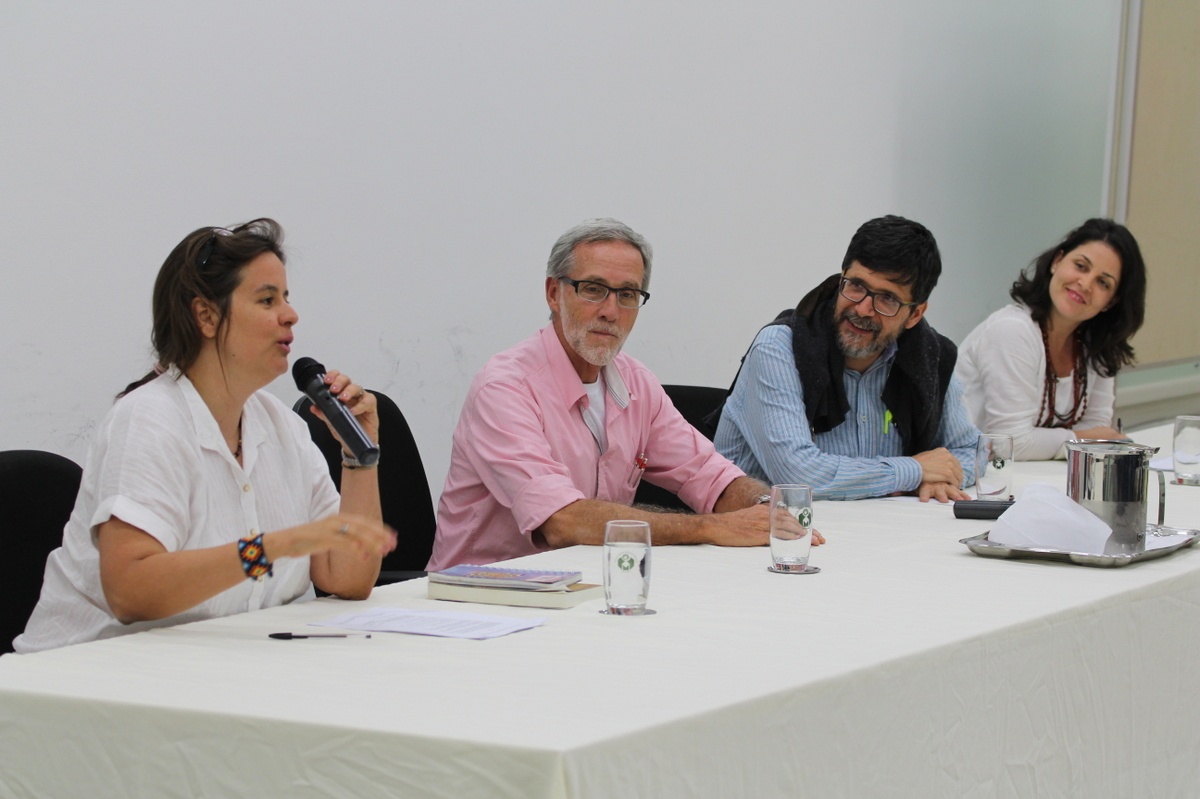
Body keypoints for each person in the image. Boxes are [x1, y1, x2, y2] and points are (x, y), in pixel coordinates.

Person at [15, 219, 395, 653]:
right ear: (206, 316)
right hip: (82, 685)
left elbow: (346, 579)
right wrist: (269, 548)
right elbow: (131, 592)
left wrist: (358, 456)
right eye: (267, 299)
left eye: (286, 298)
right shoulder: (148, 422)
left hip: (212, 673)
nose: (291, 314)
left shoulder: (283, 427)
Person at [427, 218, 823, 571]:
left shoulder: (636, 382)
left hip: (593, 589)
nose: (611, 311)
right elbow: (563, 522)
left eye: (628, 295)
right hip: (482, 600)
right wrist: (713, 527)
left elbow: (711, 477)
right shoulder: (505, 388)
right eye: (594, 289)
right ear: (553, 293)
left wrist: (765, 511)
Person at [713, 215, 978, 502]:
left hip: (877, 531)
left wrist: (940, 477)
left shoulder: (930, 357)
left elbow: (971, 451)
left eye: (887, 299)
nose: (864, 309)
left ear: (915, 314)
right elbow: (798, 475)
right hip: (770, 536)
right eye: (856, 286)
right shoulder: (779, 349)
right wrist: (914, 471)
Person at [955, 218, 1146, 460]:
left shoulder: (1097, 345)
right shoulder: (1012, 330)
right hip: (970, 483)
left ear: (1111, 301)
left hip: (1035, 479)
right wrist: (1079, 438)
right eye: (1081, 266)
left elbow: (1098, 429)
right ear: (1057, 261)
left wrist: (1076, 439)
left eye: (1103, 282)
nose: (1085, 284)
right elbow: (1010, 444)